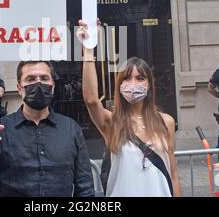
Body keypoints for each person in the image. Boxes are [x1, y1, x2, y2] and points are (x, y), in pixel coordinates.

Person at [0, 61, 94, 197]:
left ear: (52, 86)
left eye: (44, 78)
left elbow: (84, 187)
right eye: (31, 79)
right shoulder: (0, 130)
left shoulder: (70, 129)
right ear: (19, 87)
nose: (38, 83)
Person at [77, 20, 181, 197]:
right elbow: (92, 100)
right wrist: (88, 50)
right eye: (127, 79)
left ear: (149, 85)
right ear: (119, 85)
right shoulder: (112, 122)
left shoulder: (166, 122)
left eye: (140, 78)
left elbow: (173, 174)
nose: (133, 84)